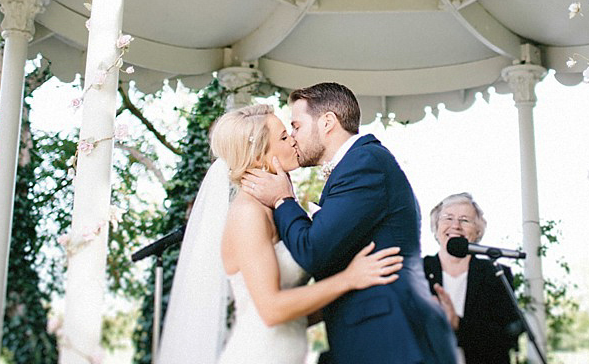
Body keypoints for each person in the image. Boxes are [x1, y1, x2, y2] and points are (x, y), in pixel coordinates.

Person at [157, 103, 404, 364]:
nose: (294, 140)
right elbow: (272, 310)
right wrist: (349, 278)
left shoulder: (275, 208)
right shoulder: (247, 214)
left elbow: (297, 314)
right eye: (284, 137)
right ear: (257, 157)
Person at [242, 82, 456, 364]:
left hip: (393, 342)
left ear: (327, 122)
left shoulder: (364, 163)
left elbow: (313, 250)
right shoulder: (355, 167)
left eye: (296, 126)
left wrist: (283, 199)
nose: (293, 138)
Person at [423, 193, 522, 364]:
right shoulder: (416, 272)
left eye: (465, 220)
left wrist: (457, 323)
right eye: (448, 218)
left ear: (477, 232)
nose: (455, 226)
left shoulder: (495, 274)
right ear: (436, 227)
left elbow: (508, 335)